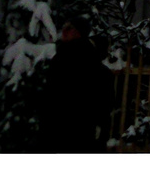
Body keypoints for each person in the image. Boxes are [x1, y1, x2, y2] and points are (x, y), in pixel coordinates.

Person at [37, 14, 113, 152]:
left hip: (78, 133)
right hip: (55, 131)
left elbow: (103, 105)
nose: (64, 31)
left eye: (70, 28)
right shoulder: (59, 58)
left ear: (80, 33)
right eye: (64, 27)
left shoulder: (90, 64)